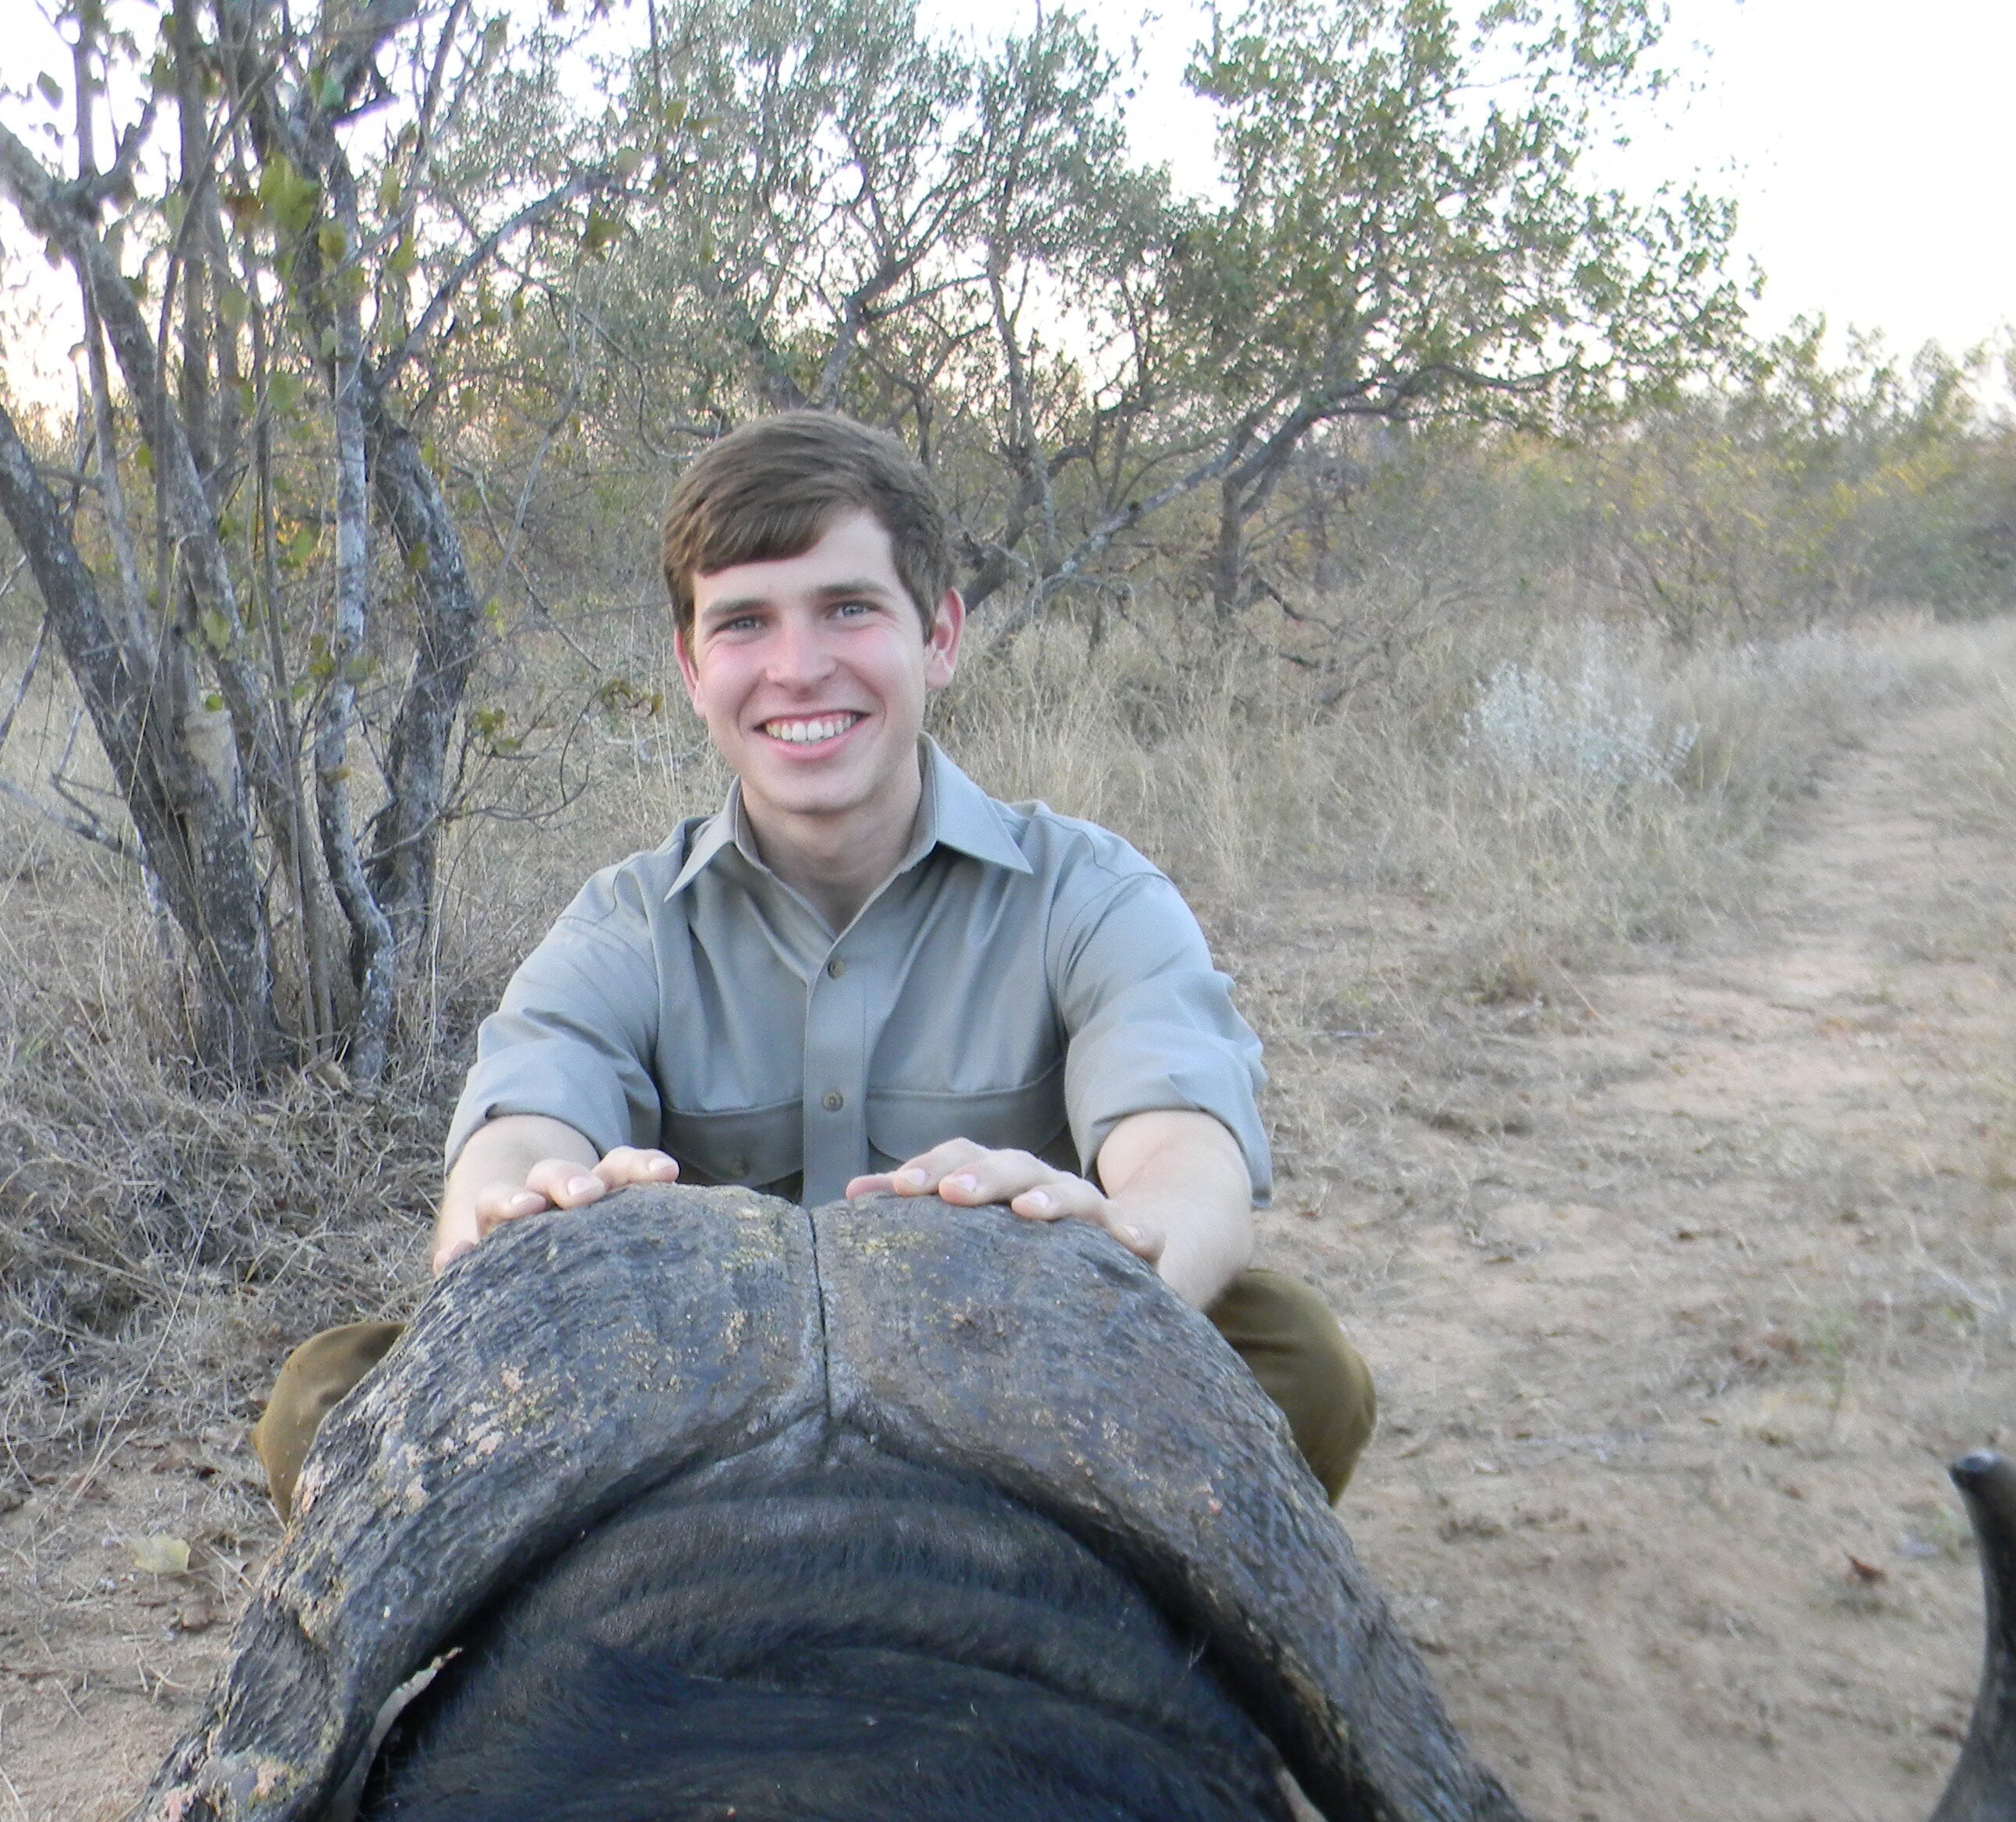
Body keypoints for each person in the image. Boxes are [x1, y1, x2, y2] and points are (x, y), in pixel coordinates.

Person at [256, 412, 1372, 1516]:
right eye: (743, 623)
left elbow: (1191, 1167)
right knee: (324, 1403)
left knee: (1302, 1368)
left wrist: (1117, 1251)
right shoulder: (623, 925)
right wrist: (516, 1213)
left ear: (939, 634)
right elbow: (518, 1133)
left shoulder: (1092, 894)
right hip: (695, 1397)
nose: (798, 668)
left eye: (848, 608)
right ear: (692, 667)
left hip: (1016, 1374)